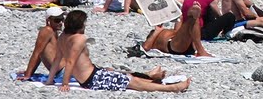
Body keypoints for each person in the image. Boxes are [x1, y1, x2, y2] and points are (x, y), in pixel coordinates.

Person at [49, 10, 190, 92]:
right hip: (92, 79)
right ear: (80, 24)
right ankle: (173, 88)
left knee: (122, 74)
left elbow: (57, 59)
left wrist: (50, 80)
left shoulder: (62, 37)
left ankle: (152, 76)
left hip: (93, 74)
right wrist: (65, 83)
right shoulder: (79, 38)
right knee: (133, 82)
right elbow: (70, 61)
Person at [17, 7, 64, 80]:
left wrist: (28, 74)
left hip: (63, 71)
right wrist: (28, 73)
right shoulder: (47, 30)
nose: (61, 23)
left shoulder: (50, 31)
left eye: (62, 19)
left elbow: (38, 53)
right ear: (48, 20)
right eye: (57, 20)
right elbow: (38, 54)